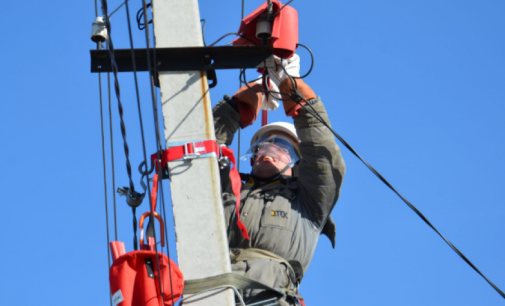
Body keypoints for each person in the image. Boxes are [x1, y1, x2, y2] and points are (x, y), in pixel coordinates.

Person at [212, 54, 346, 305]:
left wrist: (288, 85)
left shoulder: (308, 201)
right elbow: (203, 147)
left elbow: (323, 157)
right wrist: (256, 93)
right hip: (212, 291)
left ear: (296, 164)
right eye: (265, 144)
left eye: (283, 146)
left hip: (270, 297)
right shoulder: (228, 188)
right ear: (252, 158)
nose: (270, 149)